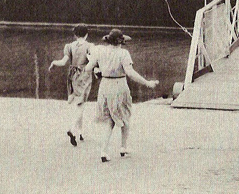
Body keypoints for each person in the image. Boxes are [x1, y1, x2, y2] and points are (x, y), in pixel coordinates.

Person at [83, 28, 158, 162]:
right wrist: (147, 83)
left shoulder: (100, 51)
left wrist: (97, 68)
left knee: (109, 119)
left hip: (105, 86)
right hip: (119, 85)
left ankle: (104, 151)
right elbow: (130, 72)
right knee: (125, 114)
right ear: (121, 42)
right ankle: (123, 147)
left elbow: (88, 68)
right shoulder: (123, 53)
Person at [48, 24, 94, 146]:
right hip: (84, 75)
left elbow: (63, 62)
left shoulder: (70, 46)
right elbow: (92, 60)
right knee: (81, 104)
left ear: (75, 35)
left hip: (72, 75)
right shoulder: (89, 46)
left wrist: (53, 62)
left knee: (79, 102)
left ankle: (80, 132)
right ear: (86, 34)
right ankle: (72, 129)